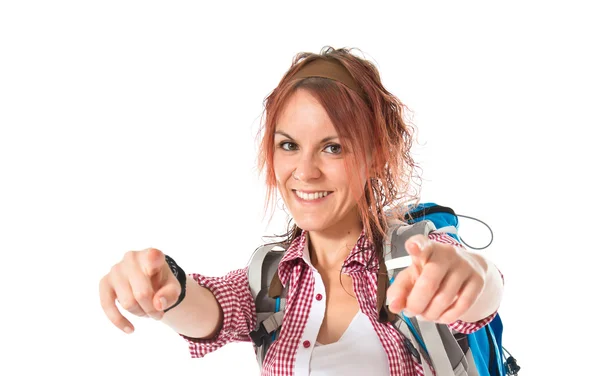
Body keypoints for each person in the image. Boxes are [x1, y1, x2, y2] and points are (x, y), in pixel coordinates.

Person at [98, 46, 504, 376]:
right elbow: (210, 313)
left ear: (377, 157)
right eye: (289, 145)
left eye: (333, 147)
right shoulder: (271, 280)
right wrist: (166, 288)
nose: (305, 172)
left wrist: (470, 278)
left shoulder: (416, 257)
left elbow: (479, 290)